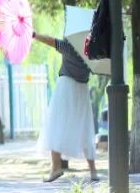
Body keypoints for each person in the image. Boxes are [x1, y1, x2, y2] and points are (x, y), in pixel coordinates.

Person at [32, 31, 98, 182]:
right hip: (82, 89)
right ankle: (93, 171)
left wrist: (34, 34)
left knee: (55, 124)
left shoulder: (70, 45)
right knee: (85, 127)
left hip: (66, 86)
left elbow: (50, 39)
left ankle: (56, 167)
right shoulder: (92, 50)